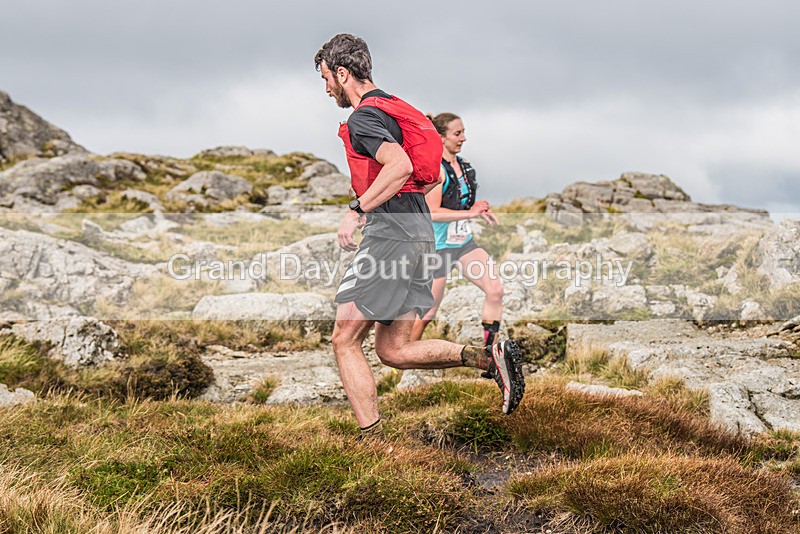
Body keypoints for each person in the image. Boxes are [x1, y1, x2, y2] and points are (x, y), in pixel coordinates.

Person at [314, 34, 525, 441]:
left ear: (342, 73)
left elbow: (400, 165)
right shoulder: (394, 108)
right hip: (420, 234)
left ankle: (373, 443)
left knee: (344, 338)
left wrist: (357, 210)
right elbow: (419, 174)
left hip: (391, 236)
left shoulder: (363, 117)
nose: (326, 89)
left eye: (326, 79)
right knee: (393, 350)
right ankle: (489, 358)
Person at [410, 113, 504, 347]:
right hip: (437, 247)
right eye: (457, 133)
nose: (463, 138)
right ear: (441, 137)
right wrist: (470, 214)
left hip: (462, 243)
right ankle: (401, 357)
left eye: (463, 132)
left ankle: (490, 353)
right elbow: (432, 212)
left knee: (495, 290)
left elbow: (459, 203)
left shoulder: (465, 166)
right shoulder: (436, 170)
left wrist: (478, 209)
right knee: (428, 313)